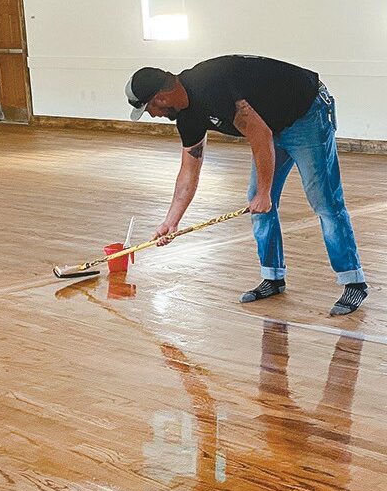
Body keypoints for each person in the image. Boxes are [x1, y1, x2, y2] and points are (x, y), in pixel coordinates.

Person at [125, 55, 368, 316]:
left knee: (324, 200)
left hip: (305, 114)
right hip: (271, 124)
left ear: (160, 98)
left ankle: (353, 281)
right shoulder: (187, 116)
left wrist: (266, 193)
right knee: (257, 202)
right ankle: (273, 277)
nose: (153, 114)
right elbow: (188, 170)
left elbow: (260, 135)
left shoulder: (210, 86)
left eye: (148, 108)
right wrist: (171, 221)